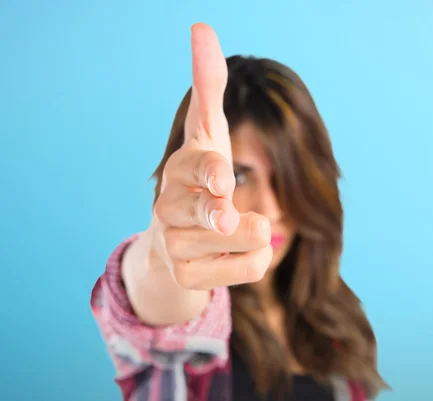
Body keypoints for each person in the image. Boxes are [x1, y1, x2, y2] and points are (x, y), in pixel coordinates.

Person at [91, 23, 387, 401]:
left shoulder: (339, 329)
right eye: (239, 176)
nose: (270, 209)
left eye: (285, 179)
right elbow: (157, 299)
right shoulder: (193, 331)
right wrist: (161, 260)